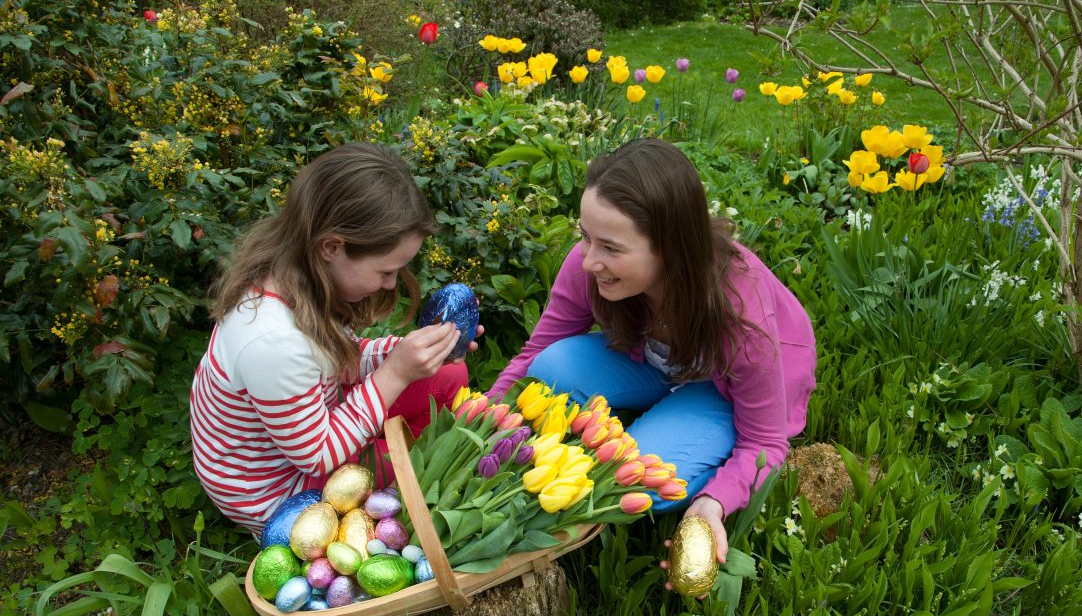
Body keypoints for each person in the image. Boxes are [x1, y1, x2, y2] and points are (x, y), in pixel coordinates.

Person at [488, 138, 816, 573]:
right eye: (586, 238)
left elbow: (766, 443)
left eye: (611, 248)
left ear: (671, 247)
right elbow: (535, 351)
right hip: (657, 361)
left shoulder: (741, 318)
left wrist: (713, 504)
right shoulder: (591, 267)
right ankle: (666, 409)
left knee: (642, 478)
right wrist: (484, 423)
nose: (588, 261)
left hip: (725, 390)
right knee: (547, 370)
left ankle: (690, 427)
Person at [190, 142, 477, 536]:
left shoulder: (303, 283)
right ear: (331, 247)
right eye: (385, 271)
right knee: (431, 457)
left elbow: (340, 362)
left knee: (446, 378)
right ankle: (368, 518)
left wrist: (410, 354)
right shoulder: (273, 340)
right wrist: (394, 373)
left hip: (306, 433)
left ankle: (388, 458)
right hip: (278, 491)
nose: (391, 283)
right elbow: (317, 457)